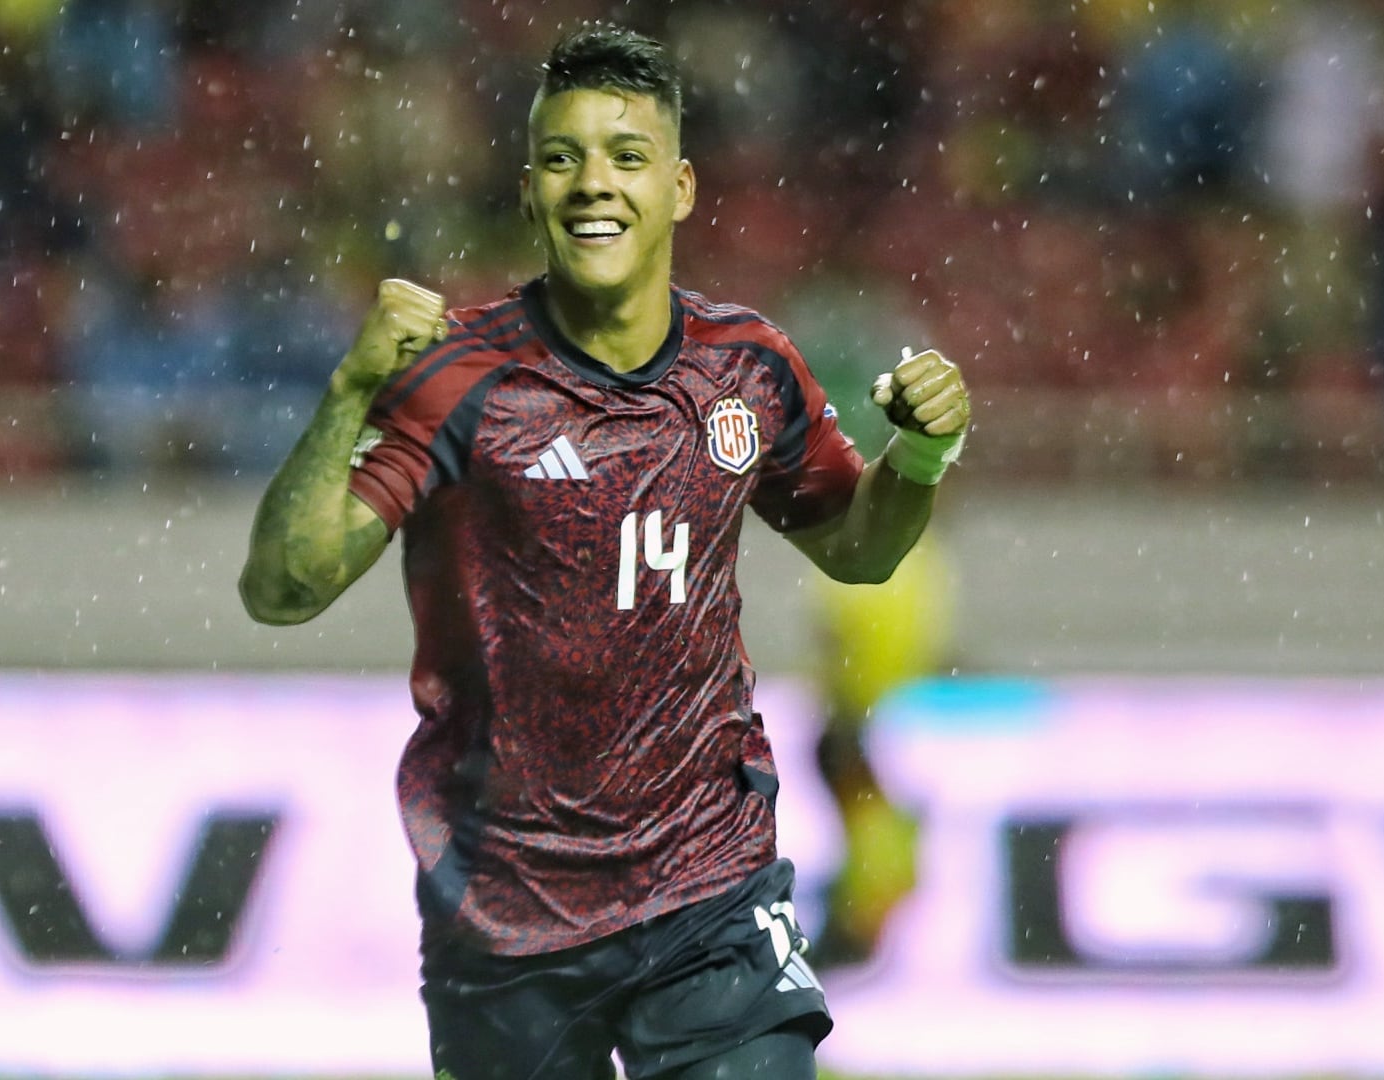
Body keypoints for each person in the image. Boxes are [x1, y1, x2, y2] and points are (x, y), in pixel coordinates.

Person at [237, 23, 969, 1080]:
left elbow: (858, 553)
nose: (595, 184)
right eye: (563, 157)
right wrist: (350, 391)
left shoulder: (748, 368)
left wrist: (922, 454)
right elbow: (282, 588)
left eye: (626, 157)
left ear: (679, 187)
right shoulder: (458, 380)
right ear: (530, 189)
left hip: (709, 889)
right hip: (507, 907)